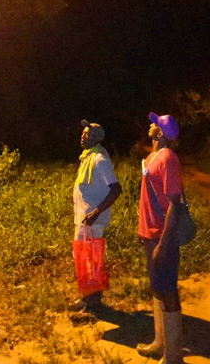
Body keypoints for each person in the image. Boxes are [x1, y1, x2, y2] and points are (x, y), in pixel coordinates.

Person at [137, 112, 185, 363]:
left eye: (156, 123)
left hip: (162, 236)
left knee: (168, 292)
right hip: (150, 234)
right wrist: (143, 233)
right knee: (157, 289)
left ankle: (174, 355)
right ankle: (160, 343)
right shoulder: (152, 157)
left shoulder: (168, 159)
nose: (151, 124)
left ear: (161, 132)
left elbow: (174, 205)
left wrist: (163, 244)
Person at [70, 119, 122, 312]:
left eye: (87, 134)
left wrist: (97, 212)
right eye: (83, 133)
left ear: (96, 138)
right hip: (84, 220)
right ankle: (88, 298)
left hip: (92, 221)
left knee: (91, 261)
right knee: (83, 259)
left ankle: (93, 302)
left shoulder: (100, 160)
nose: (82, 137)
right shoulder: (87, 158)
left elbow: (116, 189)